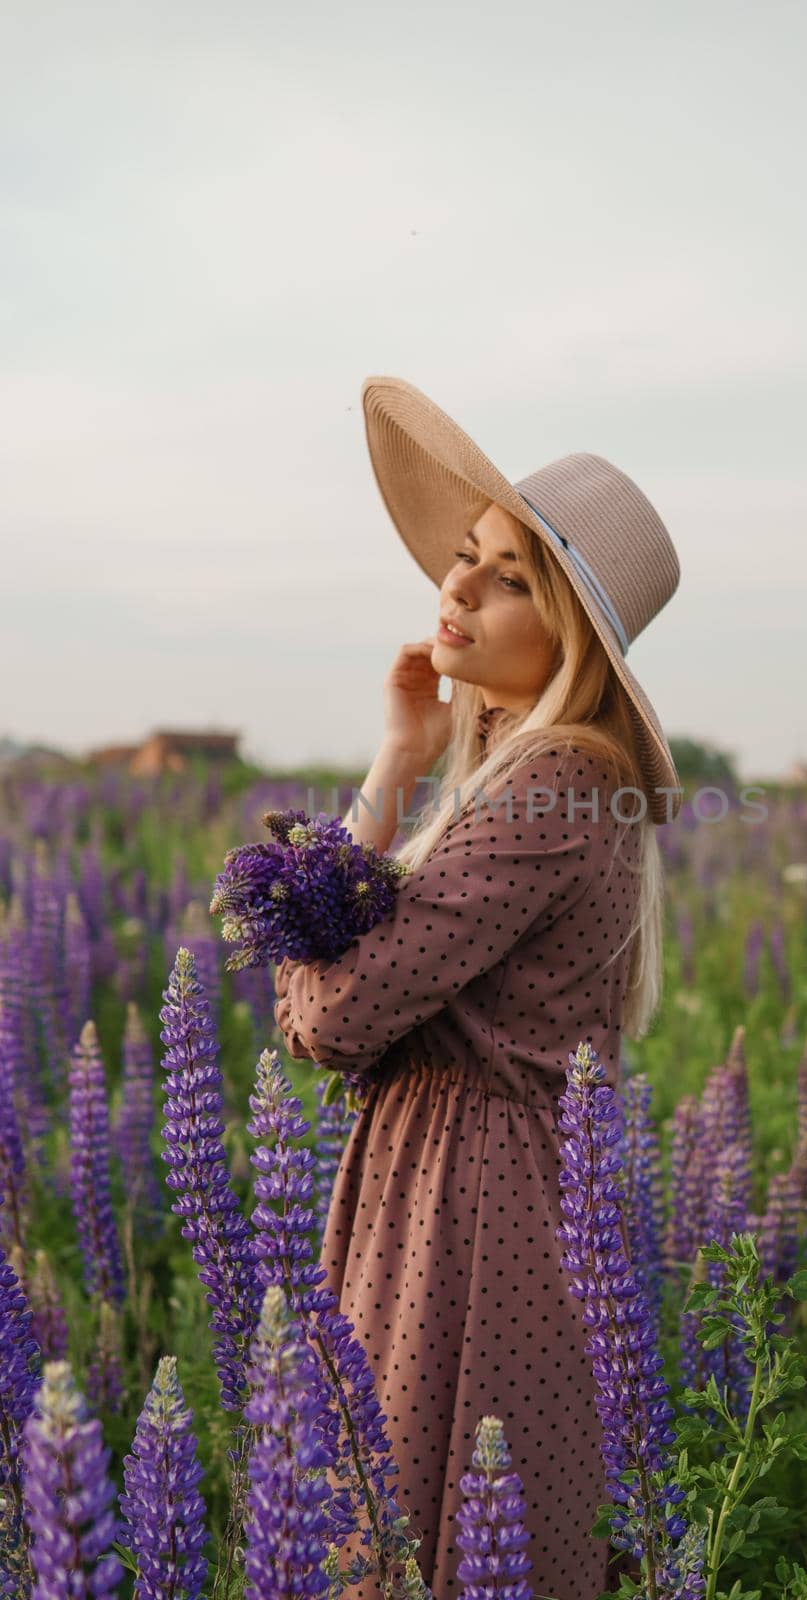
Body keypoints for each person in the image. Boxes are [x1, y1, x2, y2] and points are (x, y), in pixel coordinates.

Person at [273, 375, 683, 1599]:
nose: (454, 589)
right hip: (457, 1183)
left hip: (473, 1211)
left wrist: (312, 970)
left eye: (509, 576)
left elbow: (332, 1016)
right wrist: (401, 753)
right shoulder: (522, 768)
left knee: (434, 1545)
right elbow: (332, 982)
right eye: (464, 558)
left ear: (568, 634)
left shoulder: (556, 781)